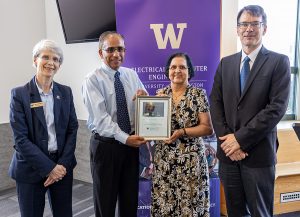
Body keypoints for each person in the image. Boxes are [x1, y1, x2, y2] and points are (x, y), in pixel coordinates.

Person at [210, 5, 290, 217]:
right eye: (244, 24)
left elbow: (276, 109)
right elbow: (215, 104)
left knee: (260, 213)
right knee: (235, 212)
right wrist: (230, 144)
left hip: (258, 155)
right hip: (228, 156)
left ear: (264, 29)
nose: (249, 29)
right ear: (237, 29)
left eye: (255, 24)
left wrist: (240, 140)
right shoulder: (225, 64)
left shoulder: (278, 62)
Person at [8, 39, 78, 217]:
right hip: (30, 168)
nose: (51, 62)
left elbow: (72, 128)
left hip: (62, 166)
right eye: (45, 57)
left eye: (55, 59)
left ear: (59, 65)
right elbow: (20, 140)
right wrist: (49, 168)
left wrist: (61, 165)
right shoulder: (19, 95)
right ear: (35, 61)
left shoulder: (65, 92)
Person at [82, 31, 147, 217]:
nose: (116, 54)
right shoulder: (92, 80)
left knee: (129, 201)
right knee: (105, 203)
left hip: (130, 148)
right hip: (106, 148)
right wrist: (126, 139)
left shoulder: (131, 75)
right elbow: (101, 120)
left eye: (120, 49)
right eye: (110, 49)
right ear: (100, 53)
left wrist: (144, 99)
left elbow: (146, 107)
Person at [151, 52, 213, 216]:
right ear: (167, 71)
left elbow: (207, 128)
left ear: (189, 71)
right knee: (165, 205)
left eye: (182, 67)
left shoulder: (198, 94)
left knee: (191, 207)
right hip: (165, 161)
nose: (177, 70)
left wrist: (181, 132)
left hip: (191, 161)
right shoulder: (160, 95)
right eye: (173, 67)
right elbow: (152, 127)